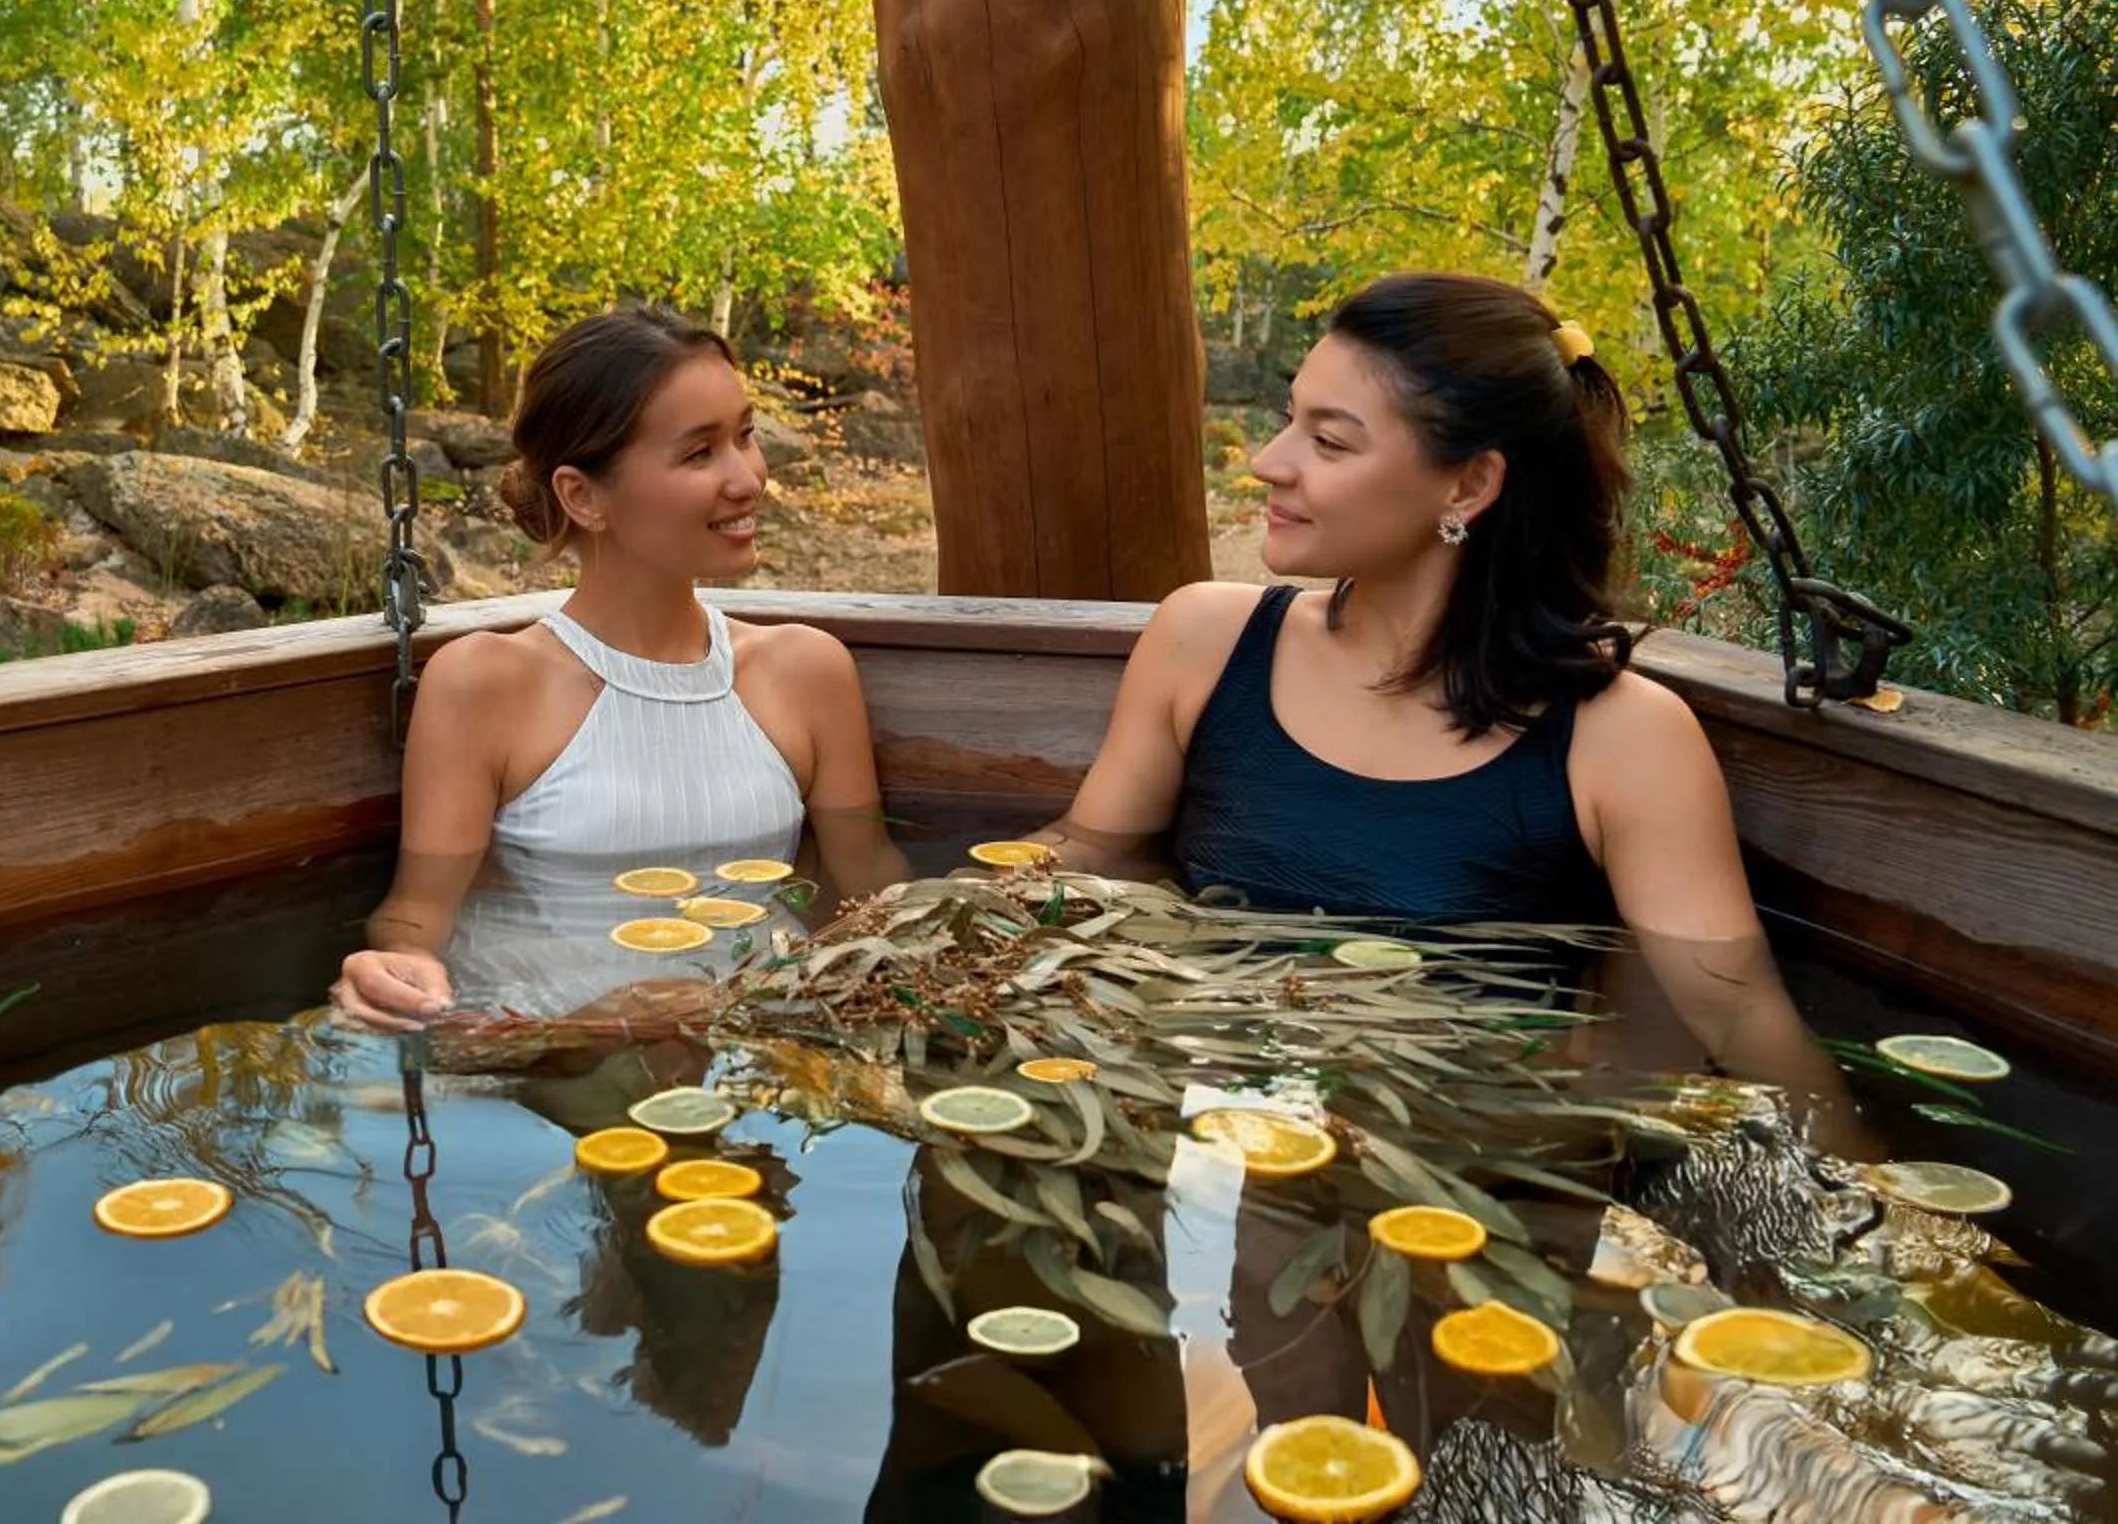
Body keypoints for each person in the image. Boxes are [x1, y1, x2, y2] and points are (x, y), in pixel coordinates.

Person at [1029, 272, 1853, 1113]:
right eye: (1289, 418)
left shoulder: (1622, 740)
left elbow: (1738, 1020)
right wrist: (953, 923)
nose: (1267, 463)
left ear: (1466, 487)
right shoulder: (1203, 641)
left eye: (1329, 442)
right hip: (1206, 1131)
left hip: (1468, 1161)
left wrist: (1874, 1191)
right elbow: (1092, 853)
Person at [332, 305, 906, 1032]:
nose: (748, 478)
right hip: (538, 1046)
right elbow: (416, 916)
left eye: (745, 435)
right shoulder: (485, 682)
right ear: (583, 496)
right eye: (699, 454)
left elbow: (866, 894)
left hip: (749, 1043)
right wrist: (395, 972)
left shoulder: (806, 671)